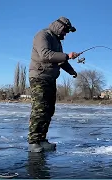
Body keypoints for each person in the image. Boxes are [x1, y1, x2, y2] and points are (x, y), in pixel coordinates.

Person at [28, 17, 80, 152]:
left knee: (49, 109)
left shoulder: (57, 42)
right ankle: (34, 142)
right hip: (39, 77)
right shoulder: (42, 35)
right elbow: (46, 55)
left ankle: (42, 139)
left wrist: (72, 72)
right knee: (40, 109)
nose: (65, 34)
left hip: (51, 79)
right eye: (65, 31)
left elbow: (60, 60)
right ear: (59, 27)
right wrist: (67, 55)